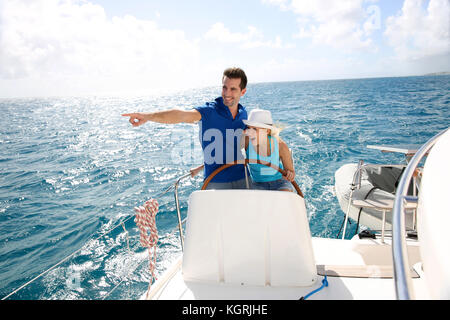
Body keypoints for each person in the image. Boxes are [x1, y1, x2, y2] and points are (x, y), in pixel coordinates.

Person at [122, 67, 249, 189]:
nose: (227, 93)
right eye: (224, 87)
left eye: (233, 89)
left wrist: (200, 167)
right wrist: (147, 117)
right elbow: (180, 115)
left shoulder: (243, 114)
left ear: (243, 92)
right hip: (216, 182)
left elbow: (232, 147)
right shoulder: (209, 112)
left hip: (244, 177)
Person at [242, 109, 295, 191]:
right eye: (249, 128)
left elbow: (291, 171)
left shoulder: (280, 145)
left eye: (255, 129)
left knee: (283, 198)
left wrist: (289, 174)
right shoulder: (246, 142)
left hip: (280, 183)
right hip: (257, 184)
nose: (250, 132)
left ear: (267, 131)